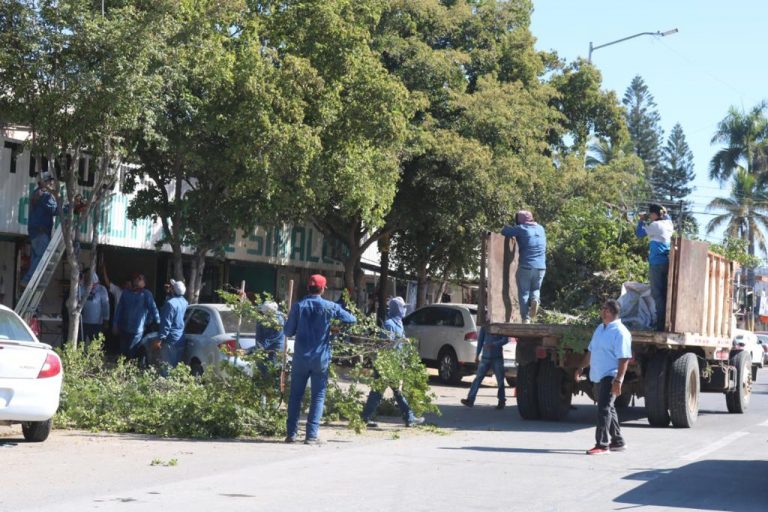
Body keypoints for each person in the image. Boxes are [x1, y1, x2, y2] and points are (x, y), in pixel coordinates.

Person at [284, 274, 356, 445]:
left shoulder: (298, 306)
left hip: (301, 358)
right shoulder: (330, 306)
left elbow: (288, 332)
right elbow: (352, 320)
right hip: (320, 359)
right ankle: (311, 435)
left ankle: (291, 435)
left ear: (308, 288)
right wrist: (334, 329)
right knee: (318, 396)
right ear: (323, 289)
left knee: (295, 396)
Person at [576, 300, 632, 455]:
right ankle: (618, 441)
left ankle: (602, 444)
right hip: (598, 375)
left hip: (611, 375)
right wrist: (581, 367)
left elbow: (624, 358)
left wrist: (618, 380)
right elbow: (591, 351)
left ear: (612, 312)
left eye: (605, 309)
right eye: (602, 309)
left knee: (603, 409)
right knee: (609, 408)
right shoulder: (600, 328)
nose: (602, 312)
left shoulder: (620, 332)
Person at [360, 297, 425, 428]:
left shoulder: (399, 323)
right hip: (387, 364)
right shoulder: (389, 324)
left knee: (383, 392)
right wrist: (400, 341)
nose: (405, 309)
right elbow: (385, 345)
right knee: (386, 392)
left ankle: (365, 418)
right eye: (403, 307)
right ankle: (409, 418)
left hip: (394, 363)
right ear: (398, 309)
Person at [501, 210, 547, 324]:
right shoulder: (541, 228)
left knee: (524, 292)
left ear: (519, 220)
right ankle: (535, 300)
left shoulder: (521, 228)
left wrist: (506, 225)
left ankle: (525, 318)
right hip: (541, 267)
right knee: (536, 289)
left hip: (526, 265)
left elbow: (505, 231)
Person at [636, 204, 674, 331]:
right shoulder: (669, 224)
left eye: (650, 214)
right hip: (666, 262)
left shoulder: (655, 225)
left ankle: (660, 326)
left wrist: (641, 219)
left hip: (656, 264)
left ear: (654, 214)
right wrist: (663, 211)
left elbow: (639, 233)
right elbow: (667, 216)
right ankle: (665, 323)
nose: (649, 216)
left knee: (657, 294)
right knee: (665, 293)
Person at [21, 173, 58, 287]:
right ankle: (28, 280)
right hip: (41, 232)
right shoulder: (45, 195)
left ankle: (29, 281)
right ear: (44, 182)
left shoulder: (36, 193)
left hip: (35, 232)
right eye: (50, 182)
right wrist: (68, 207)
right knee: (42, 257)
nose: (52, 184)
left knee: (36, 257)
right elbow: (54, 210)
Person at [461, 320, 508, 409]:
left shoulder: (501, 326)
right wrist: (477, 355)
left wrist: (494, 344)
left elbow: (505, 340)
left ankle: (501, 400)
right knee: (478, 378)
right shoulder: (485, 327)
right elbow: (480, 341)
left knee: (500, 380)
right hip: (485, 357)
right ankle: (470, 399)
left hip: (497, 357)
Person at [113, 273, 160, 358]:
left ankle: (130, 369)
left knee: (132, 353)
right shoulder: (126, 293)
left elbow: (153, 310)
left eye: (140, 278)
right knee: (122, 353)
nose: (137, 280)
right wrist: (115, 324)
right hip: (124, 328)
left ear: (144, 283)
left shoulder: (146, 294)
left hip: (136, 331)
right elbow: (119, 310)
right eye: (136, 278)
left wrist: (154, 323)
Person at [158, 279, 188, 369]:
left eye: (172, 287)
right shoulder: (185, 302)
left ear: (173, 290)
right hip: (180, 338)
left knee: (166, 368)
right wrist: (169, 293)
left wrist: (160, 338)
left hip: (170, 340)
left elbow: (166, 323)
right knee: (175, 368)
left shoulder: (170, 304)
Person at [80, 271, 110, 347]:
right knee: (81, 344)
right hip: (83, 322)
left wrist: (106, 320)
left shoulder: (101, 289)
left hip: (97, 323)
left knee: (95, 346)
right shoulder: (82, 288)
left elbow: (105, 306)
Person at [255, 300, 285, 374]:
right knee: (260, 369)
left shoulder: (278, 323)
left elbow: (268, 341)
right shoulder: (262, 315)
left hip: (274, 351)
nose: (262, 315)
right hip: (262, 347)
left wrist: (248, 351)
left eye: (264, 314)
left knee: (271, 372)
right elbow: (251, 310)